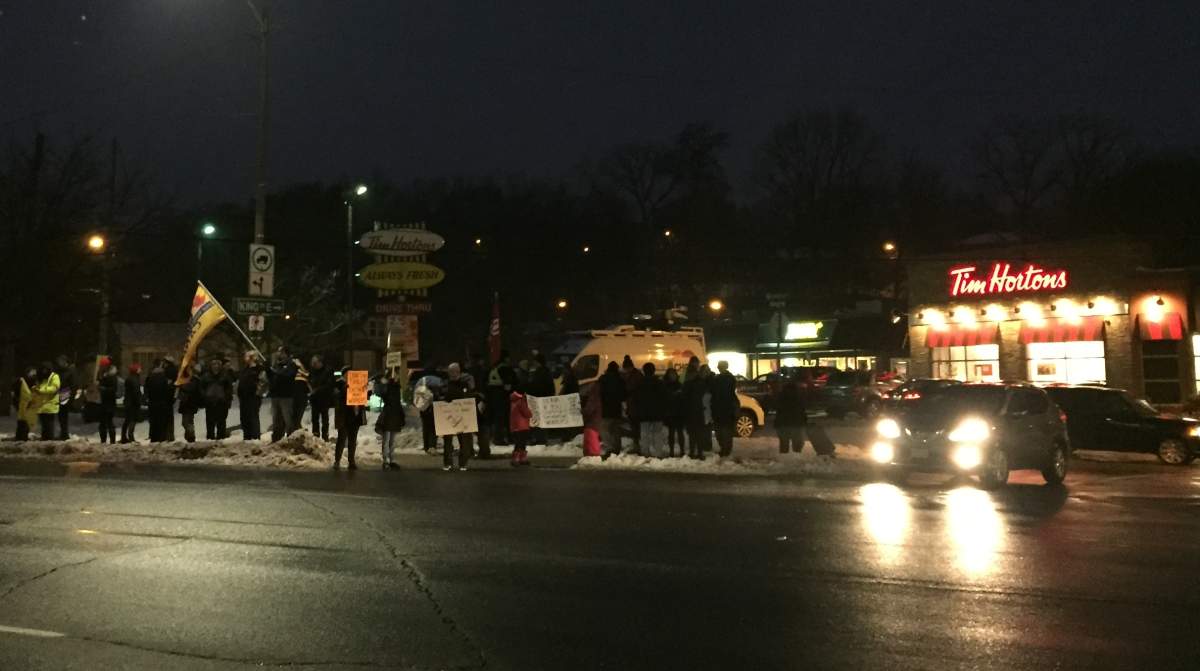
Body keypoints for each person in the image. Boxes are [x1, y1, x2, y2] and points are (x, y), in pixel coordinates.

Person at [441, 363, 474, 472]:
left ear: (459, 371)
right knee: (447, 441)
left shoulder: (464, 384)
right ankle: (448, 463)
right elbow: (441, 398)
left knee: (463, 441)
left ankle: (462, 463)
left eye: (456, 371)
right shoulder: (445, 385)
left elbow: (469, 398)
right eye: (452, 371)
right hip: (449, 416)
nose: (454, 373)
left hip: (462, 416)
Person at [333, 365, 365, 469]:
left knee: (352, 439)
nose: (350, 376)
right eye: (348, 374)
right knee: (342, 439)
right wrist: (346, 387)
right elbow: (338, 396)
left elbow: (363, 397)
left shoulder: (357, 384)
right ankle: (337, 461)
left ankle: (351, 461)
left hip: (355, 415)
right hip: (344, 416)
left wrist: (365, 389)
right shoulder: (338, 384)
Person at [632, 362, 667, 457]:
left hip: (643, 413)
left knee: (644, 434)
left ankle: (645, 452)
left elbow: (635, 398)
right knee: (657, 434)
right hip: (657, 413)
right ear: (654, 371)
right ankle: (658, 452)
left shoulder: (639, 383)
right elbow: (664, 398)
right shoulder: (659, 382)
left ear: (643, 371)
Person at [377, 370, 406, 470]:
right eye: (396, 375)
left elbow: (398, 401)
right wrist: (384, 383)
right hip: (389, 414)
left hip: (395, 414)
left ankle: (392, 460)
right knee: (387, 439)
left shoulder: (397, 387)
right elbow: (381, 393)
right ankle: (386, 460)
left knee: (392, 440)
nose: (397, 376)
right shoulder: (387, 386)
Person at [487, 352, 518, 445]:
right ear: (506, 358)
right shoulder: (505, 369)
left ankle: (498, 438)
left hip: (494, 395)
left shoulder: (494, 368)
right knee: (507, 418)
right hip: (504, 396)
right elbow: (512, 381)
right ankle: (507, 438)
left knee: (498, 419)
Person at [710, 361, 739, 457]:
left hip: (722, 408)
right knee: (724, 431)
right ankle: (726, 449)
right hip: (725, 408)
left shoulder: (721, 379)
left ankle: (725, 449)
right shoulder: (729, 378)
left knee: (723, 431)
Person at [200, 358, 234, 440]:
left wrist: (227, 399)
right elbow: (201, 388)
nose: (215, 366)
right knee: (210, 422)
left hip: (221, 402)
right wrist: (205, 397)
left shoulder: (225, 376)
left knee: (221, 422)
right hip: (210, 402)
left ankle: (221, 438)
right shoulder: (206, 376)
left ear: (220, 366)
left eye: (217, 364)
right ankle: (210, 438)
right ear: (211, 366)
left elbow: (229, 388)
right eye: (213, 365)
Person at [269, 348, 298, 442]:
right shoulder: (277, 365)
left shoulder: (291, 365)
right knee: (276, 419)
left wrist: (275, 372)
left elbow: (287, 376)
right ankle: (276, 438)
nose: (278, 354)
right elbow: (271, 378)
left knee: (288, 418)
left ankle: (291, 438)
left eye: (281, 352)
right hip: (276, 395)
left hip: (286, 396)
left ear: (286, 354)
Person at [683, 364, 711, 458]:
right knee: (697, 433)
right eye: (705, 371)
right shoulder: (702, 383)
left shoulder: (697, 382)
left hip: (696, 411)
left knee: (695, 433)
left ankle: (695, 452)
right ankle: (697, 452)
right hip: (697, 411)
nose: (707, 373)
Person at [599, 361, 626, 456]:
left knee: (605, 429)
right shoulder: (620, 380)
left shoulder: (603, 379)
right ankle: (617, 447)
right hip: (616, 409)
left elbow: (599, 393)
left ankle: (608, 447)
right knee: (616, 430)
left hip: (605, 409)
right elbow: (624, 395)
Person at [413, 367, 443, 453]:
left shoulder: (420, 381)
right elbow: (441, 392)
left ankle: (426, 446)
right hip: (434, 407)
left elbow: (415, 395)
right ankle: (432, 446)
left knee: (425, 426)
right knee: (433, 427)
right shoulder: (438, 380)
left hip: (423, 407)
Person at [527, 354, 555, 445]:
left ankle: (540, 439)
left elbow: (536, 386)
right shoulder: (546, 372)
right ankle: (541, 438)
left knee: (538, 420)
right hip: (543, 399)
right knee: (541, 420)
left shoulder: (539, 373)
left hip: (538, 399)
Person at [237, 352, 265, 440]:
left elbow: (262, 381)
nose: (245, 358)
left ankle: (255, 436)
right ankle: (247, 436)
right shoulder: (245, 369)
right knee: (244, 418)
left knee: (253, 417)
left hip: (253, 396)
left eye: (247, 356)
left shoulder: (258, 369)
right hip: (244, 397)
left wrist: (258, 392)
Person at [775, 379, 808, 454]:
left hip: (783, 423)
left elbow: (777, 408)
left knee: (784, 443)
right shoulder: (798, 397)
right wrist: (804, 421)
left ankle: (784, 456)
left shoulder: (782, 396)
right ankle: (796, 456)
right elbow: (802, 410)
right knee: (797, 444)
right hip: (796, 423)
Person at [144, 360, 174, 442]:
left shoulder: (149, 378)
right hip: (162, 403)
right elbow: (168, 391)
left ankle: (154, 438)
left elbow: (146, 390)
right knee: (162, 422)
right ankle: (162, 438)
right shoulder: (164, 379)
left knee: (154, 422)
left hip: (152, 403)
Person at [308, 355, 334, 441]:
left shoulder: (327, 371)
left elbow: (329, 385)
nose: (313, 365)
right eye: (312, 363)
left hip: (324, 399)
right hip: (314, 399)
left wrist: (317, 390)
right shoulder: (312, 371)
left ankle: (325, 437)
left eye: (315, 363)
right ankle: (315, 436)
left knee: (324, 419)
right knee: (314, 419)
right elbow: (309, 381)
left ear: (320, 362)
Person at [33, 362, 61, 440]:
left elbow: (54, 388)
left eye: (45, 369)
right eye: (42, 369)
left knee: (49, 425)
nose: (44, 371)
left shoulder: (54, 376)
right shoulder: (40, 378)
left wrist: (41, 390)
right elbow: (38, 387)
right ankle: (44, 438)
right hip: (41, 405)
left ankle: (49, 440)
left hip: (50, 405)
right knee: (44, 425)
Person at [621, 355, 643, 453]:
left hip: (635, 406)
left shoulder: (635, 376)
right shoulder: (636, 375)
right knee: (635, 426)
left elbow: (632, 389)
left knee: (636, 427)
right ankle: (636, 445)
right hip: (633, 406)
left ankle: (637, 445)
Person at [663, 368, 687, 457]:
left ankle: (682, 450)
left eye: (673, 374)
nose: (672, 376)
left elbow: (683, 399)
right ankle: (672, 450)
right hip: (671, 413)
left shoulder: (679, 386)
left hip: (678, 412)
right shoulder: (666, 386)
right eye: (671, 374)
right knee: (671, 433)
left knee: (679, 432)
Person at [177, 364, 202, 443]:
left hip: (189, 403)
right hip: (188, 403)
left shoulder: (194, 380)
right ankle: (189, 436)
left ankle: (191, 436)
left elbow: (189, 390)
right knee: (187, 421)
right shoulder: (191, 380)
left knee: (186, 422)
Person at [96, 358, 119, 444]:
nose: (101, 366)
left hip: (109, 402)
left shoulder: (112, 376)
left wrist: (103, 389)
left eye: (102, 365)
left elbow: (113, 389)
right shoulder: (102, 374)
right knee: (102, 423)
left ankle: (112, 441)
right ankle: (103, 441)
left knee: (109, 422)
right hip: (103, 402)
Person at [509, 384, 532, 466]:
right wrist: (531, 413)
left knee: (518, 443)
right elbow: (527, 413)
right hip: (522, 426)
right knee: (522, 443)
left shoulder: (514, 400)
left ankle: (517, 458)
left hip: (515, 426)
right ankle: (521, 459)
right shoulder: (521, 401)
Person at [54, 355, 76, 440]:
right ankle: (63, 432)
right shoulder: (58, 371)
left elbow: (73, 385)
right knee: (60, 415)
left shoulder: (70, 371)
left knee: (63, 415)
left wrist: (71, 396)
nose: (59, 363)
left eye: (61, 361)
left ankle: (64, 433)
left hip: (65, 393)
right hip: (59, 393)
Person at [121, 363, 143, 443]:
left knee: (127, 420)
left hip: (128, 402)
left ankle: (124, 436)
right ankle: (131, 436)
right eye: (139, 369)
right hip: (133, 403)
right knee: (132, 420)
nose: (141, 370)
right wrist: (139, 400)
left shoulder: (130, 378)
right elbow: (136, 392)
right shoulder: (135, 379)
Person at [15, 368, 38, 441]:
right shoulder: (21, 380)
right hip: (22, 404)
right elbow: (16, 392)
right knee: (22, 421)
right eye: (32, 372)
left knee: (27, 422)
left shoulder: (34, 382)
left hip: (30, 405)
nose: (34, 374)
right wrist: (16, 402)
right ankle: (20, 437)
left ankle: (24, 437)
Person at [291, 355, 311, 432]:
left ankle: (297, 429)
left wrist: (300, 367)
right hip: (294, 396)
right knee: (295, 416)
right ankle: (296, 430)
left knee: (298, 416)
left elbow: (308, 376)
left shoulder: (303, 371)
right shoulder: (293, 371)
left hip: (302, 396)